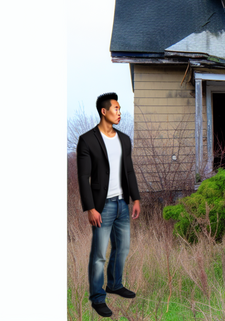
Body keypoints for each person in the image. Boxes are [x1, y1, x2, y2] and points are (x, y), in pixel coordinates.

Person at [77, 92, 141, 318]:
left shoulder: (124, 139)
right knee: (99, 255)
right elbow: (83, 177)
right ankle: (97, 298)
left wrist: (136, 198)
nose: (119, 112)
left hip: (123, 203)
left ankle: (115, 284)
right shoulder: (87, 140)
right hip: (102, 206)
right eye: (116, 108)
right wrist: (91, 208)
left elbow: (129, 170)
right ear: (104, 111)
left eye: (120, 108)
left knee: (122, 248)